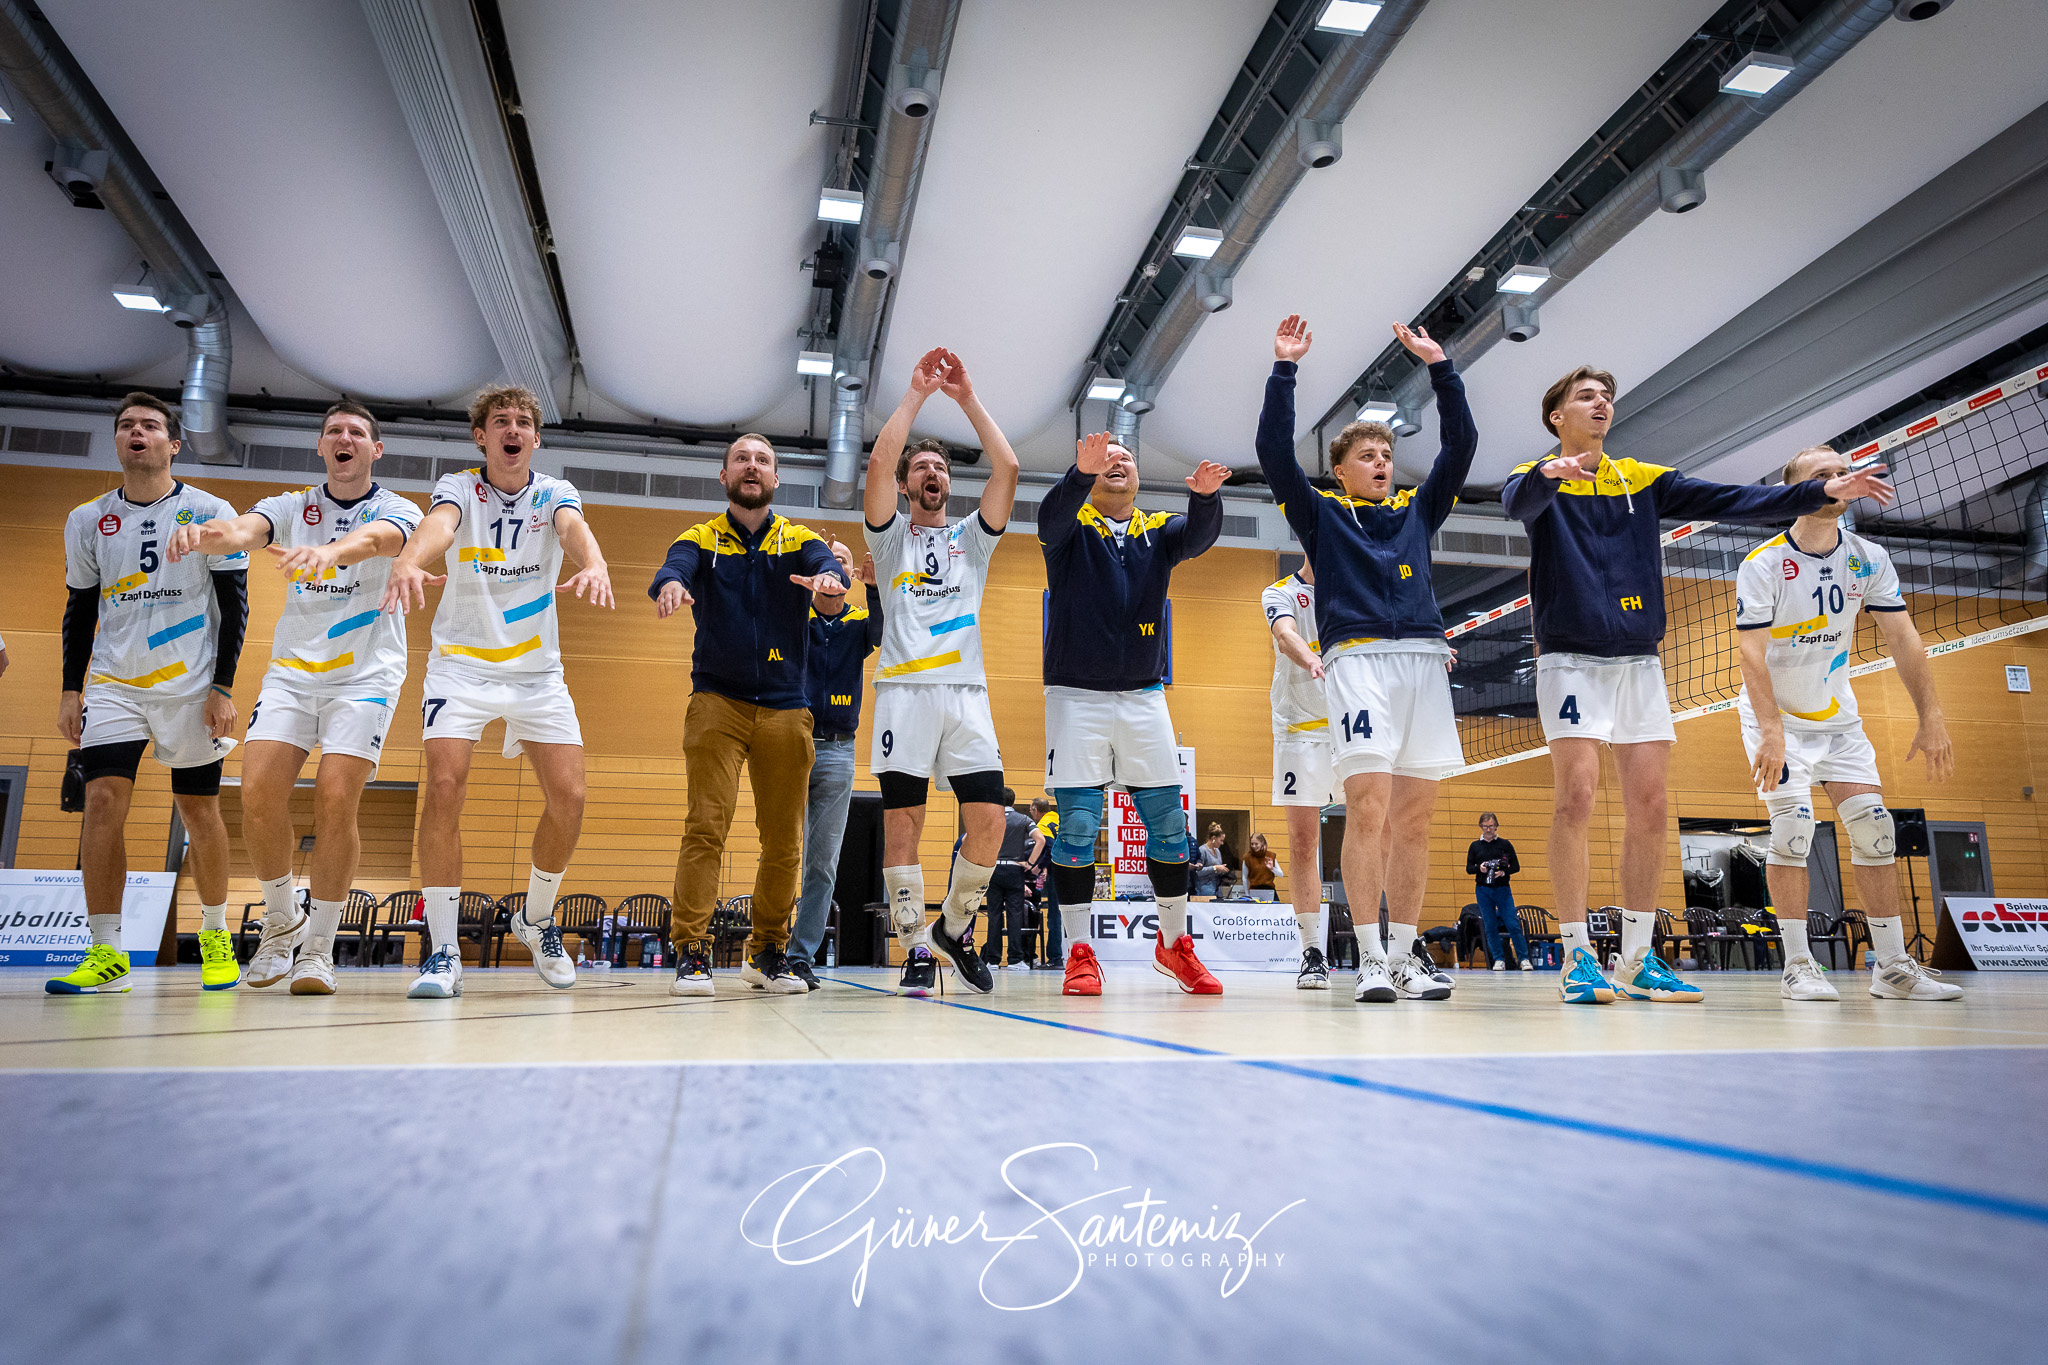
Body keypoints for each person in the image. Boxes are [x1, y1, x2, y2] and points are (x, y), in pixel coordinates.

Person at [1502, 366, 1896, 1005]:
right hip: (1571, 658)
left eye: (1606, 396)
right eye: (1586, 396)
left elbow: (1738, 500)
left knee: (1652, 805)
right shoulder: (1534, 478)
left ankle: (1636, 956)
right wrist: (1550, 474)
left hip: (1639, 661)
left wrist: (1820, 489)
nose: (1601, 403)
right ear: (1557, 416)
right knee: (1576, 796)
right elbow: (1516, 502)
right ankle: (1577, 955)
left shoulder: (1642, 480)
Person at [165, 400, 422, 995]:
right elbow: (240, 532)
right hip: (293, 672)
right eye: (334, 431)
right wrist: (201, 535)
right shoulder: (290, 505)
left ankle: (320, 948)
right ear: (321, 446)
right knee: (256, 792)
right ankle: (282, 921)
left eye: (357, 432)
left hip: (365, 675)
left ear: (374, 450)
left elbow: (379, 541)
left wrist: (331, 553)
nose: (345, 438)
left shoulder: (398, 508)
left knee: (336, 798)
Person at [1259, 316, 1474, 1005]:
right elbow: (1271, 451)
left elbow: (1462, 444)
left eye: (1387, 452)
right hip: (1357, 661)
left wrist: (1440, 366)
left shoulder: (1418, 511)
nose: (1383, 461)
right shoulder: (1322, 516)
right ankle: (1371, 957)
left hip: (1422, 660)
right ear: (1342, 471)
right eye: (1368, 455)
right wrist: (1285, 370)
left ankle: (1408, 955)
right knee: (1368, 806)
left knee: (1415, 818)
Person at [381, 384, 614, 999]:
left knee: (571, 797)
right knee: (444, 789)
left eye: (523, 423)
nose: (513, 430)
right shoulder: (460, 489)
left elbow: (572, 530)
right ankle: (444, 952)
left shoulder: (553, 493)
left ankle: (536, 918)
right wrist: (408, 558)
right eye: (500, 421)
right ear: (481, 436)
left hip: (537, 674)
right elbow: (440, 525)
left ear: (536, 439)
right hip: (461, 668)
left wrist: (594, 563)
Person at [1736, 443, 1960, 1002]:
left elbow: (1903, 637)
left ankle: (1892, 967)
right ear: (1798, 490)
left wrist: (1931, 716)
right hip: (1778, 720)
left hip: (1839, 721)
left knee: (1876, 831)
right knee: (1791, 834)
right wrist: (1771, 730)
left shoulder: (1869, 557)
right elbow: (1751, 655)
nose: (1838, 480)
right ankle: (1797, 967)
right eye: (1822, 475)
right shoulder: (1763, 564)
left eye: (1843, 472)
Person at [48, 394, 249, 996]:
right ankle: (107, 951)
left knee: (198, 811)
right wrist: (69, 690)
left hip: (190, 685)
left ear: (173, 444)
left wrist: (222, 686)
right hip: (114, 684)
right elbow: (79, 608)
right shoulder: (87, 519)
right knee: (102, 802)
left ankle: (215, 935)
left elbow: (235, 605)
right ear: (117, 442)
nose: (138, 432)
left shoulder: (211, 511)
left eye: (151, 425)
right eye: (127, 426)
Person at [651, 433, 851, 996]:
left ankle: (768, 952)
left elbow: (825, 575)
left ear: (776, 478)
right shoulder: (703, 537)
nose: (752, 466)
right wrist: (670, 584)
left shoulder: (800, 539)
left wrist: (830, 583)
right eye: (742, 458)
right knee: (705, 829)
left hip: (788, 707)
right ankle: (692, 952)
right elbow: (676, 565)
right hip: (717, 701)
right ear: (725, 476)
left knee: (785, 839)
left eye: (763, 460)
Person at [1040, 428, 1231, 997]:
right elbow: (1049, 519)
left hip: (1146, 695)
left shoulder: (1156, 531)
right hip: (1075, 695)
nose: (1116, 463)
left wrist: (1205, 499)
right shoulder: (1072, 526)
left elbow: (1199, 537)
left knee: (1171, 829)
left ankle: (1173, 947)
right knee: (1075, 830)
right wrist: (1077, 474)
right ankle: (1079, 952)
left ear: (1140, 476)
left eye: (1125, 458)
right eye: (1106, 458)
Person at [863, 347, 1020, 997]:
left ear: (948, 484)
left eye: (940, 466)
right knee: (904, 822)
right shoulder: (889, 537)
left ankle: (953, 928)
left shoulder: (972, 541)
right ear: (906, 484)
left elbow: (1008, 466)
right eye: (920, 466)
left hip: (966, 694)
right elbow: (876, 460)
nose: (931, 471)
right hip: (903, 691)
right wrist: (915, 395)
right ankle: (911, 950)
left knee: (988, 819)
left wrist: (965, 399)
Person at [788, 544, 884, 990]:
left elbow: (887, 631)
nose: (833, 567)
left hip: (838, 750)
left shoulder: (858, 624)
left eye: (840, 560)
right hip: (789, 743)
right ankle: (766, 944)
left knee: (822, 862)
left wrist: (876, 587)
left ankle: (799, 955)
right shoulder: (794, 617)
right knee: (781, 852)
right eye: (825, 559)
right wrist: (796, 591)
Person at [1261, 561, 1334, 987]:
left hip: (1353, 726)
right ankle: (1312, 953)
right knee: (1304, 842)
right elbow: (1286, 635)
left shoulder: (1355, 588)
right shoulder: (1280, 592)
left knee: (1381, 831)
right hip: (1298, 728)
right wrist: (1311, 658)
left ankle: (1392, 950)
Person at [986, 789, 1045, 971]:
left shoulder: (990, 819)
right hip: (1015, 869)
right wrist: (1030, 863)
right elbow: (1040, 840)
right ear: (1013, 801)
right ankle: (1015, 960)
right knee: (1014, 915)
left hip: (993, 869)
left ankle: (992, 961)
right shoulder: (1024, 820)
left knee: (994, 916)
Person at [1465, 813, 1532, 971]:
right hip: (1483, 890)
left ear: (1496, 826)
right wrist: (1479, 869)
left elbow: (1516, 867)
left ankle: (1524, 959)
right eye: (1485, 826)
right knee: (1490, 925)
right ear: (1481, 827)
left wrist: (1503, 872)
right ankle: (1498, 959)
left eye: (1491, 826)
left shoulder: (1505, 844)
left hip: (1502, 889)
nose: (1488, 829)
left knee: (1512, 924)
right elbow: (1468, 869)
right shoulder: (1475, 846)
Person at [1030, 796, 1062, 967]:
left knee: (1054, 916)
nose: (1031, 813)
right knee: (1058, 914)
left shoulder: (1042, 825)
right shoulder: (1058, 818)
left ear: (1036, 809)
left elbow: (1050, 848)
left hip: (1055, 872)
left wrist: (1039, 867)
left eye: (1031, 809)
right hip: (1066, 869)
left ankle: (1055, 958)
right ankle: (1056, 957)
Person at [1192, 823, 1234, 898]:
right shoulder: (1202, 850)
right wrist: (1215, 868)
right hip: (1204, 890)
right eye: (1221, 840)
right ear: (1214, 838)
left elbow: (1216, 870)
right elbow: (1197, 871)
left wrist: (1223, 872)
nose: (1222, 843)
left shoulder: (1217, 851)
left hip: (1217, 890)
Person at [1242, 833, 1282, 901]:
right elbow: (1244, 877)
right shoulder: (1247, 857)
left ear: (1262, 843)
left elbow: (1281, 874)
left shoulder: (1270, 856)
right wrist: (1247, 894)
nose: (1254, 846)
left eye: (1256, 844)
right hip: (1254, 890)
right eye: (1252, 844)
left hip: (1269, 890)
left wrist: (1272, 868)